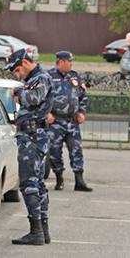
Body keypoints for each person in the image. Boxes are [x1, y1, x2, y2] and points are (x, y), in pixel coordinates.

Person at [6, 49, 53, 245]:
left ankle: (36, 232)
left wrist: (18, 93)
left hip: (32, 137)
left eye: (17, 70)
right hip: (32, 135)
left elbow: (34, 98)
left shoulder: (40, 78)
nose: (17, 75)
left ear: (25, 62)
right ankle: (42, 230)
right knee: (38, 182)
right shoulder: (36, 78)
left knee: (29, 184)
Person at [47, 51, 92, 192]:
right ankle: (59, 178)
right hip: (56, 122)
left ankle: (79, 180)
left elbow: (83, 97)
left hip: (72, 122)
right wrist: (46, 113)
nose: (71, 63)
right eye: (69, 61)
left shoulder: (75, 76)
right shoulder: (48, 77)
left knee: (76, 150)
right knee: (54, 151)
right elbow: (41, 98)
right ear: (61, 61)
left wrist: (82, 112)